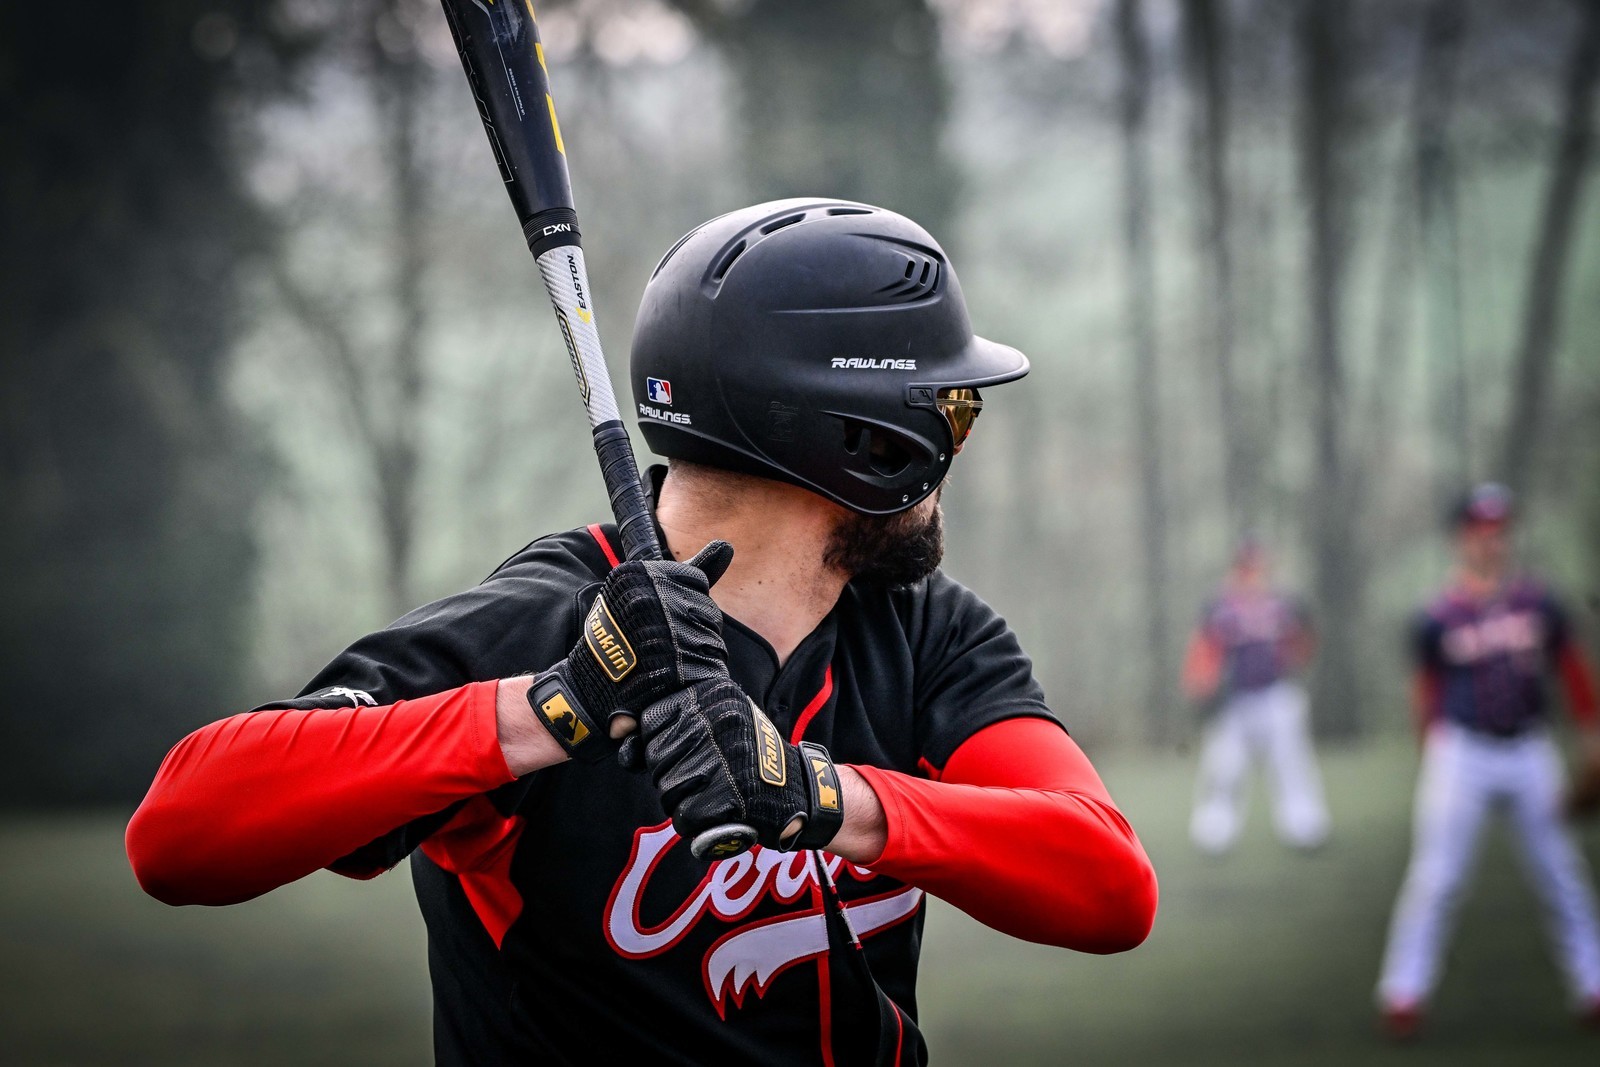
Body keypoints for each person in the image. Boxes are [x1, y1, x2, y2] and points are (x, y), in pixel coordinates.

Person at [126, 199, 1157, 1066]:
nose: (959, 440)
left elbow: (1109, 886)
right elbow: (177, 833)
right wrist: (555, 708)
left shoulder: (926, 633)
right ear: (869, 441)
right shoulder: (544, 623)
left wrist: (815, 796)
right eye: (953, 408)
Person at [1376, 483, 1600, 1038]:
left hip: (1529, 749)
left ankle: (1593, 985)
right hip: (1463, 751)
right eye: (1479, 531)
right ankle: (1403, 993)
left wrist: (1591, 740)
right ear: (1460, 539)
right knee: (1437, 878)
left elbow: (1572, 671)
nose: (1491, 541)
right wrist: (1432, 750)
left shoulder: (1539, 602)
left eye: (1498, 531)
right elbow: (1424, 689)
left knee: (1562, 874)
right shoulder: (1437, 614)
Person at [1182, 536, 1329, 855]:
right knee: (1224, 768)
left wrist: (1295, 658)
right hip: (1234, 699)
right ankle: (1214, 833)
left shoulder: (1283, 602)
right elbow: (1204, 649)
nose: (1252, 572)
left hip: (1277, 693)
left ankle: (1305, 827)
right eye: (1246, 565)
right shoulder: (1220, 606)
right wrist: (1201, 683)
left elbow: (1305, 638)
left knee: (1291, 763)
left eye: (1257, 565)